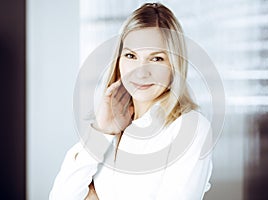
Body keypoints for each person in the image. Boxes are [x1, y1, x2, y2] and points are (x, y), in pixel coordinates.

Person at [50, 2, 213, 200]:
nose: (141, 72)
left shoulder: (190, 128)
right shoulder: (109, 126)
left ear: (175, 65)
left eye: (157, 59)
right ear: (119, 61)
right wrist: (102, 132)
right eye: (131, 55)